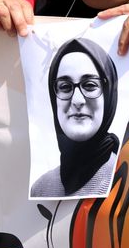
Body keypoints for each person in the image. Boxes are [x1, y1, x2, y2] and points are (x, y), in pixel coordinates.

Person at [30, 38, 120, 199]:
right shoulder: (41, 188)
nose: (77, 100)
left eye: (90, 85)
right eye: (65, 87)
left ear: (108, 94)